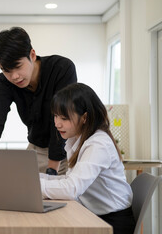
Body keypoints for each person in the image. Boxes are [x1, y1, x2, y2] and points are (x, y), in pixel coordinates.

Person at [40, 83, 135, 234]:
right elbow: (69, 179)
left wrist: (36, 186)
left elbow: (72, 188)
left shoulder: (98, 144)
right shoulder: (78, 139)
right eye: (55, 115)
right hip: (95, 215)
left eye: (64, 118)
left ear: (85, 117)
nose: (57, 123)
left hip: (112, 223)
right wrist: (36, 179)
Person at [0, 27, 77, 175]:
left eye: (18, 67)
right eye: (6, 70)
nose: (14, 76)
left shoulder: (61, 69)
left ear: (32, 55)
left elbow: (61, 118)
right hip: (37, 149)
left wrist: (52, 169)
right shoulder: (4, 83)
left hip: (68, 147)